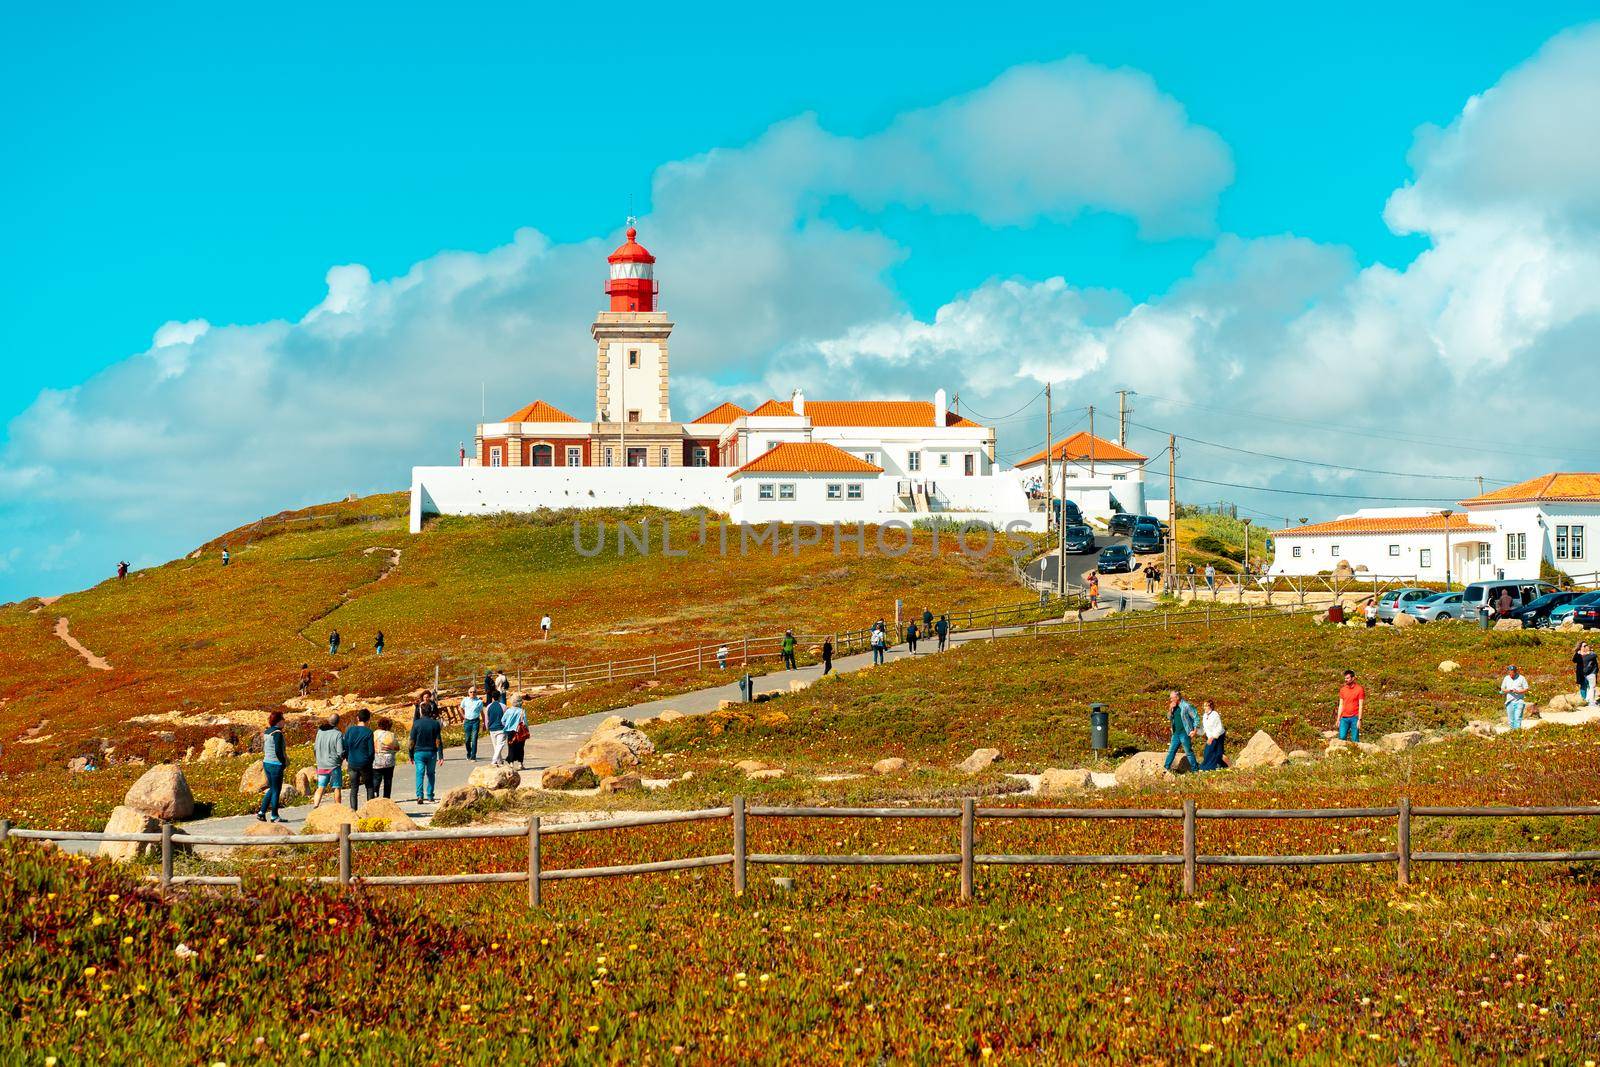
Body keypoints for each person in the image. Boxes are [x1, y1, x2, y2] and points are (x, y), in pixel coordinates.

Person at [257, 710, 288, 822]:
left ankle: (261, 812)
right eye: (283, 719)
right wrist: (283, 762)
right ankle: (274, 815)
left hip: (267, 762)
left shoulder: (267, 732)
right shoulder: (278, 734)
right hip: (276, 764)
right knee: (276, 790)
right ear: (279, 721)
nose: (284, 721)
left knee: (272, 788)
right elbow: (278, 750)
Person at [409, 704, 442, 803]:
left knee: (420, 773)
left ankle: (420, 795)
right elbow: (438, 740)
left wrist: (410, 754)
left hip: (419, 752)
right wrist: (441, 755)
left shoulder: (416, 723)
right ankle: (430, 795)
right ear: (431, 711)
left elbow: (412, 741)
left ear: (421, 712)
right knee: (431, 774)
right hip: (431, 752)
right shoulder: (435, 723)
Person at [343, 709, 376, 809]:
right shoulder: (369, 732)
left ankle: (354, 810)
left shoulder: (350, 730)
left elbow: (345, 746)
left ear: (358, 718)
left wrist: (348, 758)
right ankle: (369, 810)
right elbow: (371, 751)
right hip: (365, 763)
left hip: (352, 762)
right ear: (368, 719)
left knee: (354, 788)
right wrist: (370, 761)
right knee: (369, 786)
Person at [311, 714, 345, 809]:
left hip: (321, 764)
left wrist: (318, 759)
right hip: (334, 765)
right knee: (337, 787)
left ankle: (316, 805)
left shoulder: (320, 732)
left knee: (320, 787)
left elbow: (315, 748)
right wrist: (342, 758)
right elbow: (340, 751)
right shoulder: (338, 734)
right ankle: (338, 808)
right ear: (338, 722)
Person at [1163, 690, 1199, 773]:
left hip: (1185, 733)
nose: (1171, 700)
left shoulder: (1186, 706)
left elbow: (1196, 717)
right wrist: (1170, 708)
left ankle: (1195, 770)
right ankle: (1166, 768)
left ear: (1177, 697)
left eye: (1172, 698)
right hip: (1175, 733)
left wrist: (1194, 730)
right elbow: (1169, 717)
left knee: (1188, 752)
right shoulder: (1173, 707)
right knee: (1171, 751)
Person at [1336, 669, 1365, 742]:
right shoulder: (1342, 689)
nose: (1346, 680)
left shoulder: (1359, 689)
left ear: (1353, 678)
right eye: (1345, 678)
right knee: (1341, 738)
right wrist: (1338, 719)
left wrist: (1359, 720)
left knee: (1355, 739)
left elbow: (1361, 705)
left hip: (1355, 718)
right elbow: (1341, 705)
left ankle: (1356, 752)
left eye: (1348, 678)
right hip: (1344, 718)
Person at [1198, 700, 1226, 771]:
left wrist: (1212, 737)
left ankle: (1208, 767)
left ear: (1210, 707)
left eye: (1206, 706)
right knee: (1217, 753)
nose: (1204, 708)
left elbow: (1219, 728)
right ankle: (1220, 766)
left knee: (1209, 751)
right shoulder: (1204, 715)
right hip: (1211, 737)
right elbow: (1204, 728)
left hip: (1218, 736)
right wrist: (1196, 732)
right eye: (1203, 706)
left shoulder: (1215, 714)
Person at [502, 695, 529, 770]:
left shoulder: (508, 711)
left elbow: (502, 720)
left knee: (511, 747)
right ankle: (520, 764)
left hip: (510, 731)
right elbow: (525, 722)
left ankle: (511, 763)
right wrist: (527, 730)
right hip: (520, 732)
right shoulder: (522, 711)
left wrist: (507, 725)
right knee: (520, 747)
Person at [1500, 663, 1530, 729]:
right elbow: (1502, 688)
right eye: (1509, 673)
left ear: (1515, 672)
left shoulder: (1521, 678)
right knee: (1511, 720)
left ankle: (1518, 732)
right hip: (1509, 701)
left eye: (1512, 673)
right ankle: (1512, 733)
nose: (1511, 675)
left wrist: (1518, 691)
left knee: (1517, 718)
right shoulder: (1506, 678)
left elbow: (1526, 688)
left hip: (1519, 701)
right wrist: (1508, 690)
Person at [460, 685, 485, 760]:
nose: (472, 693)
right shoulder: (465, 700)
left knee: (474, 739)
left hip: (475, 721)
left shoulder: (479, 702)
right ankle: (469, 753)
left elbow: (482, 713)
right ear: (468, 693)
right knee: (467, 739)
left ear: (476, 693)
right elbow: (460, 708)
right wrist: (463, 716)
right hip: (467, 721)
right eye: (471, 692)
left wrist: (484, 723)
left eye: (474, 692)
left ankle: (473, 756)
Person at [485, 691, 508, 767]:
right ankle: (494, 761)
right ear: (499, 697)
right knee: (499, 745)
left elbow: (487, 719)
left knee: (496, 746)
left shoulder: (488, 707)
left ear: (492, 697)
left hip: (492, 729)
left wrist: (487, 727)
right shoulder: (503, 706)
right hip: (501, 728)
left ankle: (500, 761)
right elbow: (506, 719)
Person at [1573, 641, 1598, 706]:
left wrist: (1584, 654)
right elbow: (1574, 660)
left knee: (1592, 687)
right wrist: (1577, 654)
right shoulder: (1578, 654)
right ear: (1580, 647)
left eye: (1586, 645)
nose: (1586, 646)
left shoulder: (1591, 653)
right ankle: (1584, 700)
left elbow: (1593, 656)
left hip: (1591, 672)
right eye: (1584, 646)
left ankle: (1591, 701)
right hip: (1581, 673)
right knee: (1583, 687)